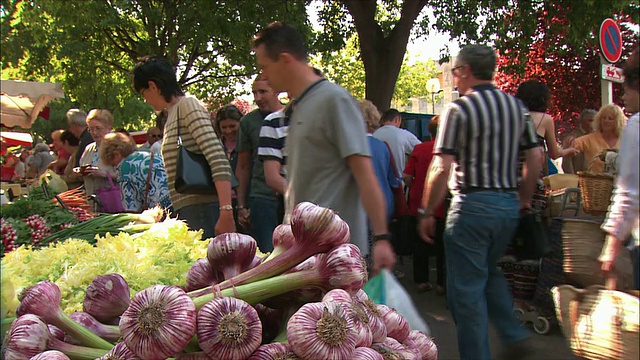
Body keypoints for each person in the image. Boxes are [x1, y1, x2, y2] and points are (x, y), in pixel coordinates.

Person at [417, 44, 542, 360]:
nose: (455, 79)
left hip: (471, 206)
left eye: (456, 72)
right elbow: (536, 156)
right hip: (507, 208)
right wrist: (523, 199)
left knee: (466, 293)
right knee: (489, 271)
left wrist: (427, 210)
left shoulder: (459, 110)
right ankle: (513, 334)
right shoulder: (517, 109)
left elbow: (441, 166)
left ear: (467, 71)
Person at [252, 21, 395, 273]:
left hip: (338, 258)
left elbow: (365, 174)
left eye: (265, 66)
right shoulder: (297, 107)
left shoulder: (334, 100)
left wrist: (382, 239)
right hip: (304, 254)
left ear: (284, 59)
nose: (263, 75)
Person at [132, 56, 235, 238]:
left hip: (203, 209)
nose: (145, 100)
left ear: (153, 86)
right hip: (191, 209)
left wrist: (226, 211)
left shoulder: (187, 105)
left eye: (143, 93)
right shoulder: (172, 113)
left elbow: (217, 156)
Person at [600, 47, 640, 290]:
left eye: (626, 89)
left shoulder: (636, 125)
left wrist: (610, 248)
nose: (623, 97)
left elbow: (629, 192)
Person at [235, 74, 284, 252]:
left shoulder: (292, 116)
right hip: (261, 195)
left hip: (290, 194)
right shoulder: (248, 122)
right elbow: (243, 166)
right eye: (254, 93)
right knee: (267, 253)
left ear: (276, 90)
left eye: (263, 92)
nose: (258, 98)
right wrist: (241, 205)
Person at [515, 80, 579, 211]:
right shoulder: (546, 119)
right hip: (532, 177)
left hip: (509, 175)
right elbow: (554, 153)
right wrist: (569, 150)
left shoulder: (512, 116)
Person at [403, 116, 446, 294]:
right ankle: (442, 283)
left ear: (430, 131)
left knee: (420, 245)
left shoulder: (419, 148)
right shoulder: (450, 152)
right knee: (443, 246)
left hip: (419, 203)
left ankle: (421, 280)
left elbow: (406, 176)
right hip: (443, 204)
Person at [100, 132, 172, 213]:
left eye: (113, 164)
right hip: (177, 198)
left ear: (117, 154)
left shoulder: (124, 168)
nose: (115, 167)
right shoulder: (147, 155)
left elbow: (131, 207)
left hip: (163, 209)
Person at [359, 99, 398, 223]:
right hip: (384, 206)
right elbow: (393, 181)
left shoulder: (350, 147)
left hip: (359, 209)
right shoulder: (383, 147)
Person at [565, 104, 626, 174]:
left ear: (618, 121)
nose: (606, 121)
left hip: (621, 183)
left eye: (610, 118)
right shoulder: (590, 138)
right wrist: (569, 141)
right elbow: (572, 145)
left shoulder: (625, 140)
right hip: (596, 183)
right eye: (604, 118)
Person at [214, 104, 245, 231]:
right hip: (224, 202)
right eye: (224, 127)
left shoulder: (246, 145)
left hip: (244, 200)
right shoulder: (216, 147)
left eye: (232, 126)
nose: (228, 131)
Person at [78, 109, 118, 200]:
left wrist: (104, 174)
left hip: (112, 202)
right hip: (92, 201)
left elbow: (128, 176)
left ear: (109, 128)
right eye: (91, 129)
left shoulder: (118, 147)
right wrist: (80, 172)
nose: (94, 133)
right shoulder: (89, 148)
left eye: (98, 128)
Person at [373, 108, 421, 176]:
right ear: (397, 119)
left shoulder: (375, 134)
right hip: (397, 180)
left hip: (377, 180)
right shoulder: (403, 134)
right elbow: (421, 150)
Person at [562, 109, 596, 174]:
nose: (594, 124)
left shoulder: (598, 137)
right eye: (590, 120)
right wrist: (573, 179)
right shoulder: (573, 138)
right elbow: (567, 163)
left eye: (595, 121)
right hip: (579, 178)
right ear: (582, 122)